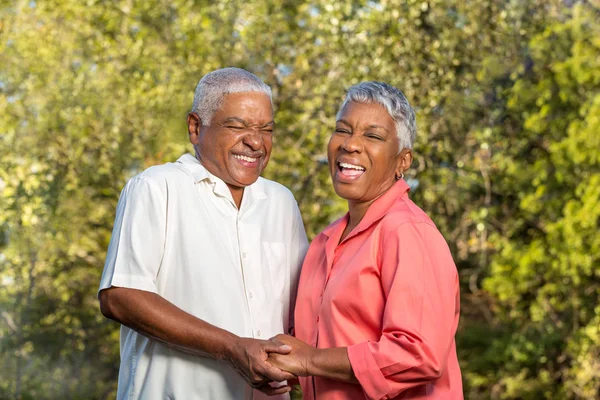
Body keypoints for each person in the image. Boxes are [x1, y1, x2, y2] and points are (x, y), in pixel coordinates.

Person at [98, 67, 309, 400]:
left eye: (265, 129)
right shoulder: (156, 188)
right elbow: (120, 297)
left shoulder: (281, 202)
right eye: (237, 126)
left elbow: (300, 310)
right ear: (195, 128)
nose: (255, 142)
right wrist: (232, 348)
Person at [268, 82, 463, 399]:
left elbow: (417, 354)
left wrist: (309, 360)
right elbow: (322, 344)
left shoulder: (408, 233)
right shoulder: (323, 243)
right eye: (343, 130)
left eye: (372, 136)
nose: (350, 145)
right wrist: (286, 367)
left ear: (403, 161)